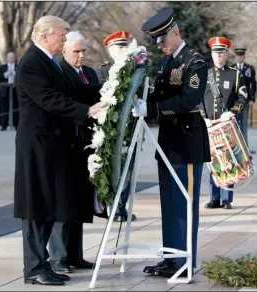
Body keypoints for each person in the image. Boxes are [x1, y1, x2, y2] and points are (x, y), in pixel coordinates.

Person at [13, 15, 104, 286]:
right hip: (37, 145)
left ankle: (44, 264)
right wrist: (86, 111)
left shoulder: (49, 62)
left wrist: (110, 91)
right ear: (45, 36)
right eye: (61, 35)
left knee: (48, 204)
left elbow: (73, 91)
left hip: (52, 145)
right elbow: (50, 99)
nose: (65, 39)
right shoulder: (31, 63)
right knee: (35, 206)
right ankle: (34, 268)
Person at [135, 8, 211, 278]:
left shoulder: (195, 62)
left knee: (184, 204)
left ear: (175, 33)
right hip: (168, 143)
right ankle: (172, 256)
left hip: (187, 142)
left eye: (162, 39)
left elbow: (188, 101)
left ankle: (185, 260)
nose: (159, 45)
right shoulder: (167, 63)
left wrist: (152, 110)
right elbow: (159, 93)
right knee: (169, 203)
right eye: (156, 40)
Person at [48, 31, 102, 274]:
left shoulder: (90, 73)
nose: (81, 56)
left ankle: (75, 255)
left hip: (86, 146)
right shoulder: (58, 72)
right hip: (65, 144)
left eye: (84, 51)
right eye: (76, 52)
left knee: (80, 200)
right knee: (62, 203)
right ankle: (58, 258)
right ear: (64, 50)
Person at [202, 36, 248, 210]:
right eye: (215, 53)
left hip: (226, 124)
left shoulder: (235, 74)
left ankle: (227, 198)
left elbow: (243, 96)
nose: (218, 56)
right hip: (210, 124)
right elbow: (198, 99)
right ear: (212, 55)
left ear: (226, 54)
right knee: (212, 160)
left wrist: (232, 112)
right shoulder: (205, 74)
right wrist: (202, 117)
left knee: (228, 159)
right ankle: (214, 197)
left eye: (221, 53)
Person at [96, 30, 137, 223]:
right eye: (119, 47)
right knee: (111, 168)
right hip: (110, 131)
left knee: (127, 169)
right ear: (110, 50)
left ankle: (121, 207)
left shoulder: (135, 70)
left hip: (130, 128)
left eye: (125, 46)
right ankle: (111, 206)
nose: (123, 50)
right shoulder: (103, 72)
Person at [232, 46, 257, 147]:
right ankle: (235, 146)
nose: (240, 57)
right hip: (234, 101)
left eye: (241, 55)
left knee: (244, 125)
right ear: (235, 57)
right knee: (234, 124)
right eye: (238, 55)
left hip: (245, 101)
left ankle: (245, 147)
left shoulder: (249, 69)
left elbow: (253, 84)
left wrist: (252, 98)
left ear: (244, 56)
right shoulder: (231, 68)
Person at [0, 52, 19, 130]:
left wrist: (16, 74)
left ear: (15, 58)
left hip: (15, 90)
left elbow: (22, 77)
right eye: (9, 57)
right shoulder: (2, 67)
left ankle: (16, 124)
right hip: (5, 90)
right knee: (4, 107)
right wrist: (5, 74)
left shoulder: (18, 66)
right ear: (7, 58)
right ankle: (4, 125)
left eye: (12, 57)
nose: (11, 59)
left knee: (15, 107)